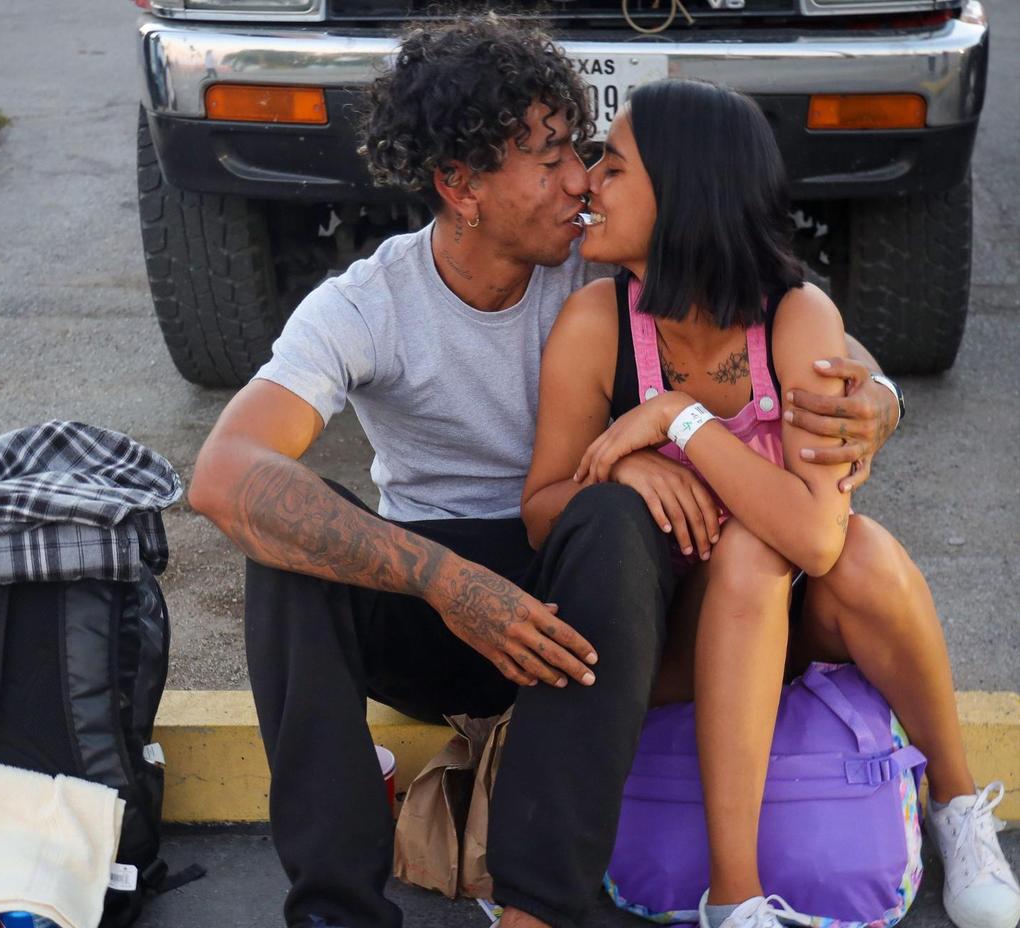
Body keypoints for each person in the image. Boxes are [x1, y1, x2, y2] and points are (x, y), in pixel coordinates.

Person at [189, 18, 900, 928]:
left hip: (598, 606)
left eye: (583, 149)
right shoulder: (368, 305)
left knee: (612, 515)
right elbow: (223, 473)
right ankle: (335, 912)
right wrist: (447, 582)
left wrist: (878, 394)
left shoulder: (600, 267)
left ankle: (541, 906)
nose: (581, 181)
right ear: (461, 185)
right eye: (550, 156)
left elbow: (775, 316)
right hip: (443, 600)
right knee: (285, 539)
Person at [522, 79, 1020, 928]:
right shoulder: (596, 324)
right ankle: (736, 893)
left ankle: (959, 803)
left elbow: (820, 542)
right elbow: (541, 509)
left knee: (856, 551)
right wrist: (628, 468)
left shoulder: (794, 316)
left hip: (790, 618)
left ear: (684, 194)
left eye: (616, 166)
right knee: (753, 550)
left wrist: (678, 421)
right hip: (671, 642)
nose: (590, 183)